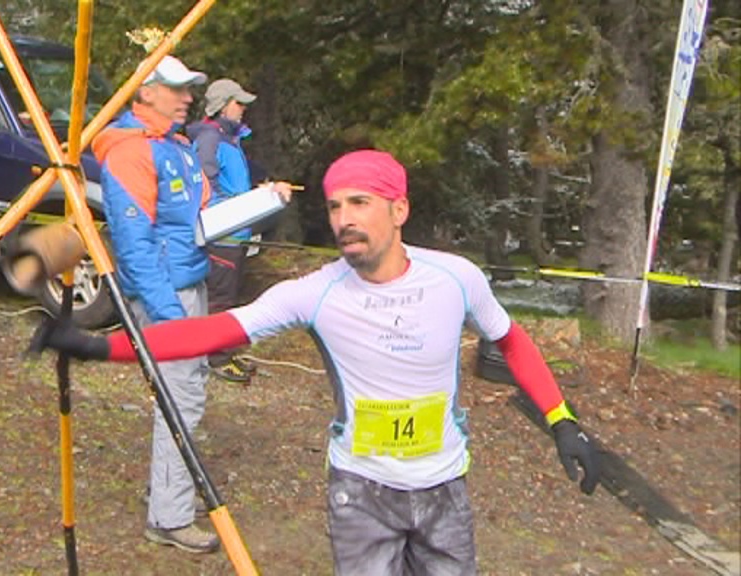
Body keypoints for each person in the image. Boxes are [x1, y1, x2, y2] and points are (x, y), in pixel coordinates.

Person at [31, 149, 601, 574]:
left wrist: (562, 422)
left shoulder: (456, 277)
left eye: (360, 203)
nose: (344, 219)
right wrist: (100, 346)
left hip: (444, 489)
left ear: (399, 208)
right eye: (334, 206)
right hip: (361, 495)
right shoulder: (316, 292)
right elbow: (209, 332)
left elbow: (512, 341)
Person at [90, 55, 217, 554]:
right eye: (176, 89)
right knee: (179, 400)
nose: (187, 97)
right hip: (168, 292)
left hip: (190, 280)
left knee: (187, 393)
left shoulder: (174, 146)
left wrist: (258, 202)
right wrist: (170, 317)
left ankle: (171, 492)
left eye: (189, 89)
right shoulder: (130, 152)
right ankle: (168, 516)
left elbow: (199, 212)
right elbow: (134, 247)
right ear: (144, 94)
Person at [186, 78, 291, 384]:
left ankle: (222, 352)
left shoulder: (228, 139)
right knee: (220, 298)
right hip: (224, 232)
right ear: (222, 106)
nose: (243, 109)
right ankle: (216, 359)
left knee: (227, 296)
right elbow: (204, 188)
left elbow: (228, 184)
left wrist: (258, 193)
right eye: (238, 103)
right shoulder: (210, 139)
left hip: (235, 231)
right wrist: (248, 202)